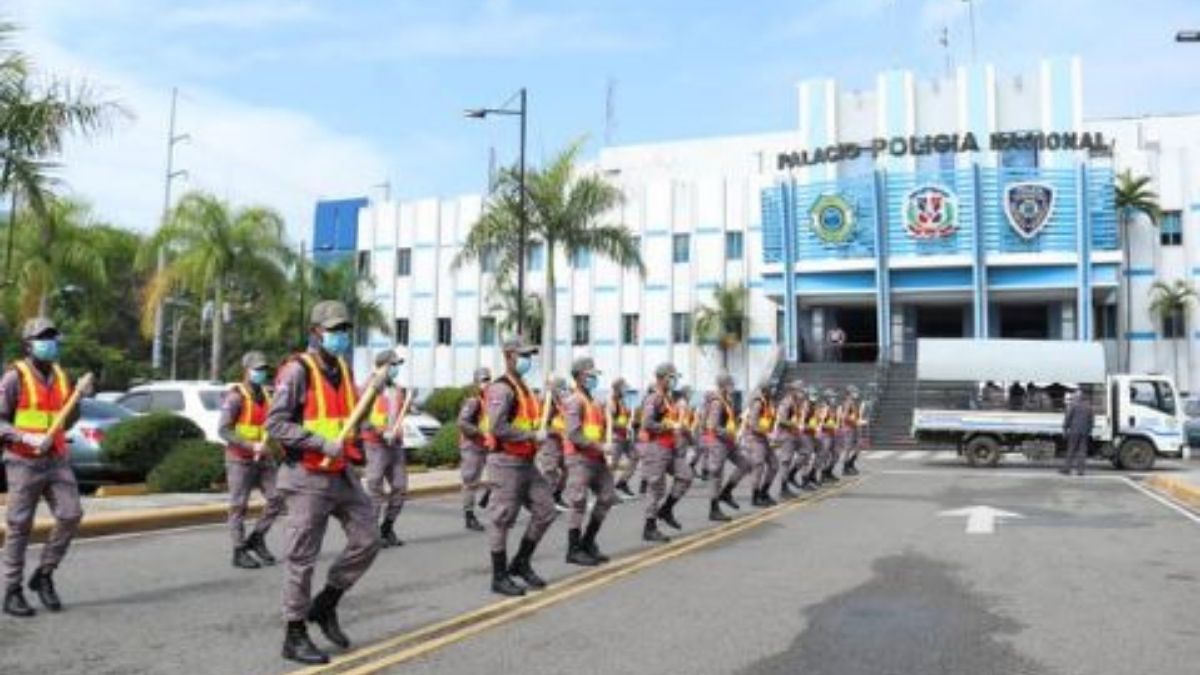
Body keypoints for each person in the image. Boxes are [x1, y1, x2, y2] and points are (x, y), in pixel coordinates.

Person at [266, 300, 382, 665]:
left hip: (341, 472)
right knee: (302, 558)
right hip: (306, 476)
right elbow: (276, 424)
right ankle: (294, 633)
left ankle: (326, 604)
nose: (342, 336)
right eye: (334, 330)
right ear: (316, 332)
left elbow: (347, 417)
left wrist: (358, 442)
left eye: (345, 329)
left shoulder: (344, 370)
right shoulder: (296, 371)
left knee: (368, 539)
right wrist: (319, 442)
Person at [1, 317, 91, 618]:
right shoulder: (15, 377)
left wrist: (80, 397)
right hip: (23, 461)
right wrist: (25, 435)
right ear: (29, 343)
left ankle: (44, 574)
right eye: (44, 338)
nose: (51, 343)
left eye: (53, 337)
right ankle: (13, 590)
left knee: (71, 514)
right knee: (20, 526)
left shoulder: (63, 377)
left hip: (56, 458)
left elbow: (68, 417)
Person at [483, 338, 559, 597]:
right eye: (523, 355)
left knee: (546, 510)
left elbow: (532, 421)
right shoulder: (501, 389)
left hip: (527, 462)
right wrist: (528, 436)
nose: (528, 360)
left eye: (530, 355)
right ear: (509, 356)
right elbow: (497, 427)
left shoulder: (525, 388)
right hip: (506, 462)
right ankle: (499, 576)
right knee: (502, 518)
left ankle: (521, 562)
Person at [220, 350, 284, 570]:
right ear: (246, 371)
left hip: (264, 458)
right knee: (239, 505)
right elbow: (224, 430)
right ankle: (239, 550)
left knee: (277, 498)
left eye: (264, 369)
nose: (261, 373)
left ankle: (257, 538)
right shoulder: (235, 397)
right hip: (239, 459)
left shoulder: (268, 395)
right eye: (257, 369)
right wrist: (249, 445)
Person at [562, 357, 618, 566]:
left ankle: (588, 542)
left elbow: (596, 430)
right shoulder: (574, 400)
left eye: (595, 374)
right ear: (579, 376)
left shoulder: (592, 400)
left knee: (607, 496)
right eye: (590, 374)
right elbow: (574, 434)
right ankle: (573, 549)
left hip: (596, 458)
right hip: (579, 458)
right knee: (578, 502)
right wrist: (601, 447)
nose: (594, 378)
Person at [637, 363, 693, 542]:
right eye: (671, 377)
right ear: (661, 378)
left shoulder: (668, 398)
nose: (674, 380)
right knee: (656, 488)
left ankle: (666, 509)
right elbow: (647, 423)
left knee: (685, 475)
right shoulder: (653, 398)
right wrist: (668, 425)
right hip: (655, 448)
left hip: (669, 447)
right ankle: (649, 527)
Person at [363, 349, 409, 548]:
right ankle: (371, 534)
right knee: (375, 489)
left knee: (400, 487)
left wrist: (397, 431)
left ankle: (387, 528)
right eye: (393, 365)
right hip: (375, 444)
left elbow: (397, 416)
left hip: (395, 445)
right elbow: (362, 419)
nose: (396, 368)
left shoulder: (397, 389)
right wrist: (381, 431)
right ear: (382, 366)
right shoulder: (368, 387)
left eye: (397, 365)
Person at [703, 373, 750, 522]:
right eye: (730, 384)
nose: (733, 387)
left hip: (728, 440)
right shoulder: (717, 402)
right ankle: (714, 508)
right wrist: (729, 433)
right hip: (718, 441)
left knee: (746, 464)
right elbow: (713, 426)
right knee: (716, 475)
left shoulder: (727, 400)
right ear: (723, 385)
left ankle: (727, 492)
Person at [457, 367, 492, 532]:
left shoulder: (489, 400)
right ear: (476, 382)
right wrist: (479, 432)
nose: (486, 383)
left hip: (486, 444)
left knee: (499, 475)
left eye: (488, 379)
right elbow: (462, 423)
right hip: (472, 445)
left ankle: (487, 499)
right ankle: (469, 516)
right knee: (470, 481)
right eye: (483, 380)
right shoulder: (473, 401)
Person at [744, 383, 779, 507]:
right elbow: (752, 424)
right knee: (759, 467)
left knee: (774, 465)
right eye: (771, 389)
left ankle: (764, 492)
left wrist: (772, 432)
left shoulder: (769, 403)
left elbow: (770, 421)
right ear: (765, 391)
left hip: (764, 438)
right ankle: (755, 496)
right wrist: (767, 434)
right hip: (755, 439)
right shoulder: (758, 403)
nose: (773, 391)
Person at [538, 377, 570, 511]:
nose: (564, 392)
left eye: (565, 389)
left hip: (562, 441)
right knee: (550, 472)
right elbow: (543, 426)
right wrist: (557, 432)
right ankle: (546, 502)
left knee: (567, 469)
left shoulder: (561, 403)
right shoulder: (547, 404)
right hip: (551, 442)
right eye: (562, 389)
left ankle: (557, 496)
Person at [772, 381, 805, 500]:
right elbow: (781, 420)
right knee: (785, 461)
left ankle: (791, 475)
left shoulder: (796, 402)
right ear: (792, 390)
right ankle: (783, 488)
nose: (801, 392)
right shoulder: (786, 402)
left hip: (794, 434)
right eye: (799, 390)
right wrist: (794, 424)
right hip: (786, 435)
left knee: (804, 453)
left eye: (801, 390)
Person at [611, 382, 641, 499]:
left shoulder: (624, 402)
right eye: (624, 388)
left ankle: (622, 482)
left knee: (635, 456)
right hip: (616, 438)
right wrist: (623, 426)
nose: (626, 391)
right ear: (617, 389)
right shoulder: (612, 402)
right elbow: (610, 422)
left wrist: (633, 423)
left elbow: (627, 419)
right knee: (612, 464)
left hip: (625, 437)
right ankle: (607, 490)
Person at [1060, 391, 1094, 477]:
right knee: (1082, 451)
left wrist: (1065, 428)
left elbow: (1068, 417)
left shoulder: (1073, 405)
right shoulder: (1089, 407)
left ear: (1078, 398)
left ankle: (1067, 469)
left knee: (1071, 450)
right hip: (1084, 431)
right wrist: (1089, 430)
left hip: (1074, 431)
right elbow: (1092, 421)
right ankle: (1080, 471)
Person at [839, 385, 863, 477]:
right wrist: (854, 420)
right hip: (848, 427)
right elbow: (844, 416)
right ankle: (845, 467)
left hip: (854, 426)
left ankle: (850, 464)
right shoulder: (847, 402)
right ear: (849, 393)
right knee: (848, 448)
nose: (856, 393)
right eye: (854, 392)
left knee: (858, 446)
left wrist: (858, 420)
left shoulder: (854, 402)